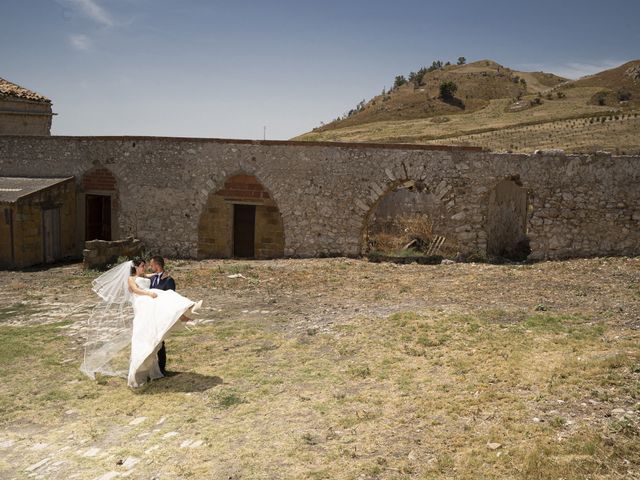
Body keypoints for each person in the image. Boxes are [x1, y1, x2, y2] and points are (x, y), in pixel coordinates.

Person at [80, 259, 202, 388]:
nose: (145, 268)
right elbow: (135, 290)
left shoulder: (144, 276)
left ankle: (187, 312)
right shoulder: (131, 278)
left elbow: (157, 274)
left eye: (145, 266)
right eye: (143, 266)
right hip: (142, 301)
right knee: (159, 301)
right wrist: (148, 293)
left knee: (167, 296)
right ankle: (184, 317)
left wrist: (163, 272)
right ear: (136, 267)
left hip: (148, 300)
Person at [148, 255, 175, 375]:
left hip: (162, 315)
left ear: (157, 265)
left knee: (160, 342)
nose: (150, 267)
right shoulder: (152, 279)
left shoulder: (169, 280)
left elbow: (171, 299)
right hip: (151, 315)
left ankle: (162, 368)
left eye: (152, 265)